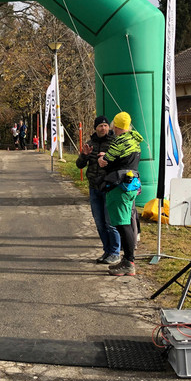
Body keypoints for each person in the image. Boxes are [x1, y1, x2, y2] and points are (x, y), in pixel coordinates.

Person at [98, 111, 143, 276]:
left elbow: (106, 162)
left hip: (119, 186)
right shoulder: (134, 140)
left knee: (122, 224)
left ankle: (129, 262)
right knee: (125, 222)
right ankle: (127, 260)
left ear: (115, 126)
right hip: (132, 184)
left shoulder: (119, 142)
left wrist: (101, 159)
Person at [76, 115, 120, 265]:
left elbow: (120, 163)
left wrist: (107, 158)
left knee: (110, 223)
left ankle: (115, 252)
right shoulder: (90, 144)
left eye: (106, 126)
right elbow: (79, 165)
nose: (103, 128)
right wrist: (84, 155)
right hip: (94, 188)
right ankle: (107, 250)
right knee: (99, 223)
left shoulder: (115, 143)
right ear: (95, 128)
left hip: (109, 188)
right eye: (100, 126)